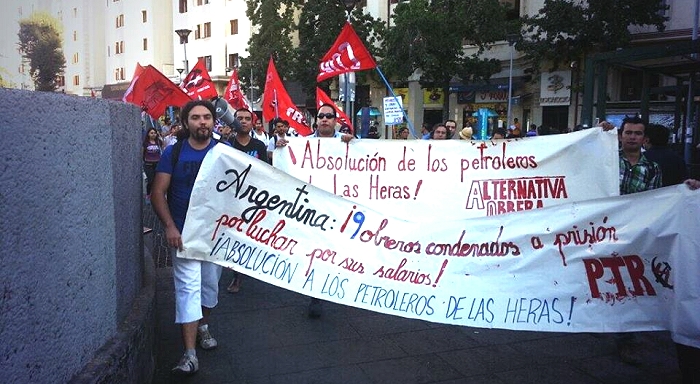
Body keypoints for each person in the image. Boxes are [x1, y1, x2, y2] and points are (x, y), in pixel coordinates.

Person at [151, 100, 224, 376]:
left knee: (209, 289)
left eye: (206, 117)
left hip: (214, 237)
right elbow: (158, 192)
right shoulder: (174, 152)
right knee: (188, 291)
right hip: (182, 236)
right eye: (195, 117)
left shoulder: (222, 152)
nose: (202, 122)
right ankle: (190, 354)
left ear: (213, 121)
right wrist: (169, 226)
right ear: (186, 123)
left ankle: (203, 326)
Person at [274, 103, 353, 318]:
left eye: (329, 116)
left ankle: (333, 284)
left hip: (338, 207)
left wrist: (353, 145)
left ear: (336, 121)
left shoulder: (346, 144)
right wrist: (281, 149)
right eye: (321, 116)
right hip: (312, 208)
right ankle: (315, 293)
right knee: (315, 250)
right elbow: (284, 168)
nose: (325, 119)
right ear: (316, 120)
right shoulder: (301, 145)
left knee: (336, 249)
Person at [225, 108, 271, 294]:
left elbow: (267, 171)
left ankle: (250, 266)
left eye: (247, 119)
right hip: (232, 200)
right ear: (233, 122)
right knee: (235, 237)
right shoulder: (226, 144)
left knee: (252, 236)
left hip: (254, 200)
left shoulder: (259, 145)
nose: (243, 122)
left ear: (252, 123)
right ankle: (237, 276)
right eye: (239, 119)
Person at [617, 116, 662, 195]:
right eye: (628, 133)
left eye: (638, 133)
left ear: (645, 139)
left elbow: (653, 201)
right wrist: (598, 131)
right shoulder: (608, 160)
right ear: (620, 137)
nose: (632, 137)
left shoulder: (652, 168)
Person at [143, 127, 163, 200]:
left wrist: (160, 137)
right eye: (151, 133)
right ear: (148, 134)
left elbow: (162, 148)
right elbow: (143, 153)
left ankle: (155, 194)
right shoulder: (145, 143)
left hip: (157, 164)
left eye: (154, 133)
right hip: (148, 165)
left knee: (157, 181)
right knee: (150, 180)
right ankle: (148, 194)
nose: (153, 134)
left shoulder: (158, 142)